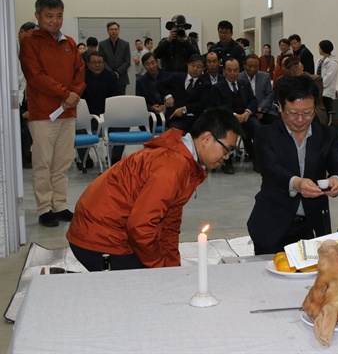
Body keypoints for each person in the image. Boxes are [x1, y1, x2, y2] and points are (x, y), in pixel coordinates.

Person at [66, 108, 244, 271]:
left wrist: (172, 268)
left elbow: (170, 224)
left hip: (110, 230)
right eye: (227, 150)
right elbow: (140, 227)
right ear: (206, 138)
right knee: (147, 289)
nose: (227, 157)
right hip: (98, 238)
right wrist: (160, 270)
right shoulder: (172, 167)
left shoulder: (185, 161)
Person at [247, 75, 338, 254]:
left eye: (308, 112)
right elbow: (270, 168)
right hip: (272, 225)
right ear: (279, 106)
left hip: (313, 227)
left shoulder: (327, 135)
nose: (301, 119)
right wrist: (298, 183)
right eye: (293, 113)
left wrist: (337, 179)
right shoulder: (265, 134)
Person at [19, 0, 86, 227]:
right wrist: (65, 93)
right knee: (43, 163)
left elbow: (80, 71)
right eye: (49, 16)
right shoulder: (30, 42)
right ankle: (44, 208)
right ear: (37, 16)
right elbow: (35, 76)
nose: (54, 21)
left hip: (68, 112)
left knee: (62, 162)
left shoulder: (68, 42)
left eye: (58, 16)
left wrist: (75, 94)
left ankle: (60, 205)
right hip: (43, 114)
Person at [211, 57, 260, 174]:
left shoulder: (244, 84)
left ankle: (256, 159)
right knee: (227, 132)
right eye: (229, 70)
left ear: (239, 71)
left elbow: (253, 101)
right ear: (224, 71)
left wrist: (247, 112)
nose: (233, 73)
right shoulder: (217, 87)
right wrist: (234, 115)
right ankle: (228, 162)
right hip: (227, 118)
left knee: (257, 128)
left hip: (245, 116)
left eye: (236, 70)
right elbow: (216, 107)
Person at [78, 51, 118, 168]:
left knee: (123, 124)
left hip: (107, 117)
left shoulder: (111, 76)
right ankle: (85, 159)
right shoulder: (82, 77)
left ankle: (114, 157)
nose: (97, 65)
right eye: (94, 62)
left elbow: (116, 98)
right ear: (88, 64)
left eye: (100, 62)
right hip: (89, 117)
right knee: (77, 126)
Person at [158, 54, 211, 133]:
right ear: (187, 65)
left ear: (203, 69)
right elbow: (160, 85)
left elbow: (202, 103)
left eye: (199, 67)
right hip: (177, 118)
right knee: (175, 132)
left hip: (196, 118)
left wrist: (185, 109)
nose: (195, 69)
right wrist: (168, 96)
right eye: (193, 65)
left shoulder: (205, 84)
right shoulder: (177, 77)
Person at [17, 21, 36, 169]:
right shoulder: (10, 49)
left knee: (30, 125)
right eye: (28, 34)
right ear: (20, 32)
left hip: (27, 95)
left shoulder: (33, 50)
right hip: (12, 97)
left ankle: (26, 156)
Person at [239, 54, 276, 126]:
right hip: (246, 112)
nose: (253, 69)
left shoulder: (265, 76)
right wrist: (252, 111)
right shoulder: (238, 78)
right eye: (250, 66)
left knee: (278, 123)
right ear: (244, 65)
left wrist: (261, 108)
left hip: (265, 110)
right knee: (255, 125)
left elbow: (270, 95)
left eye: (256, 66)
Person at [136, 52, 172, 121]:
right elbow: (140, 101)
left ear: (157, 63)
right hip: (151, 114)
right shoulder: (141, 82)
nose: (151, 66)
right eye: (147, 64)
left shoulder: (169, 76)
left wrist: (166, 106)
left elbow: (177, 95)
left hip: (169, 112)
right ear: (144, 66)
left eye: (153, 63)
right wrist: (151, 107)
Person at [98, 21, 131, 95]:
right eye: (111, 29)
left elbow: (127, 61)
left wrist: (118, 72)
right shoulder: (102, 44)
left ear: (119, 30)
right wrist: (111, 73)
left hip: (121, 77)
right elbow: (101, 61)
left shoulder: (125, 44)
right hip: (106, 77)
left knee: (120, 101)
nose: (114, 31)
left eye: (116, 29)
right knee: (107, 100)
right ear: (107, 31)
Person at [316, 40, 338, 119]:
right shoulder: (320, 60)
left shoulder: (333, 63)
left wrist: (319, 84)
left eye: (319, 48)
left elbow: (328, 78)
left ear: (322, 49)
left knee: (325, 111)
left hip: (326, 91)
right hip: (319, 89)